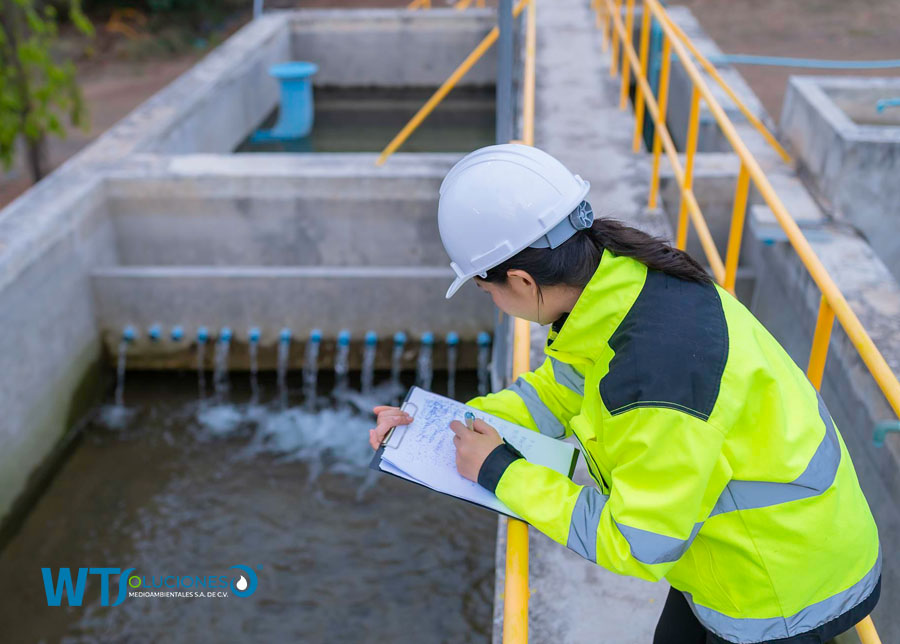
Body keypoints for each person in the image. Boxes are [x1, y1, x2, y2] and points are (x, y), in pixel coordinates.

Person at [368, 144, 881, 644]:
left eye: (487, 291)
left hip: (783, 588)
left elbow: (633, 543)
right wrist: (447, 424)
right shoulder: (622, 281)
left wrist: (502, 472)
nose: (494, 302)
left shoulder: (653, 379)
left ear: (522, 279)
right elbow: (559, 388)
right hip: (734, 546)